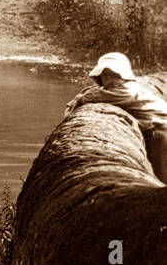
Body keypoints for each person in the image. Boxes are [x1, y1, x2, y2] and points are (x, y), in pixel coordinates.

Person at [64, 52, 167, 180]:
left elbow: (90, 97)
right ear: (100, 77)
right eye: (106, 75)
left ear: (124, 76)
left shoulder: (126, 90)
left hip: (160, 130)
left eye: (115, 75)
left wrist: (78, 100)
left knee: (162, 176)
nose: (110, 79)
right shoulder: (126, 88)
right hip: (157, 127)